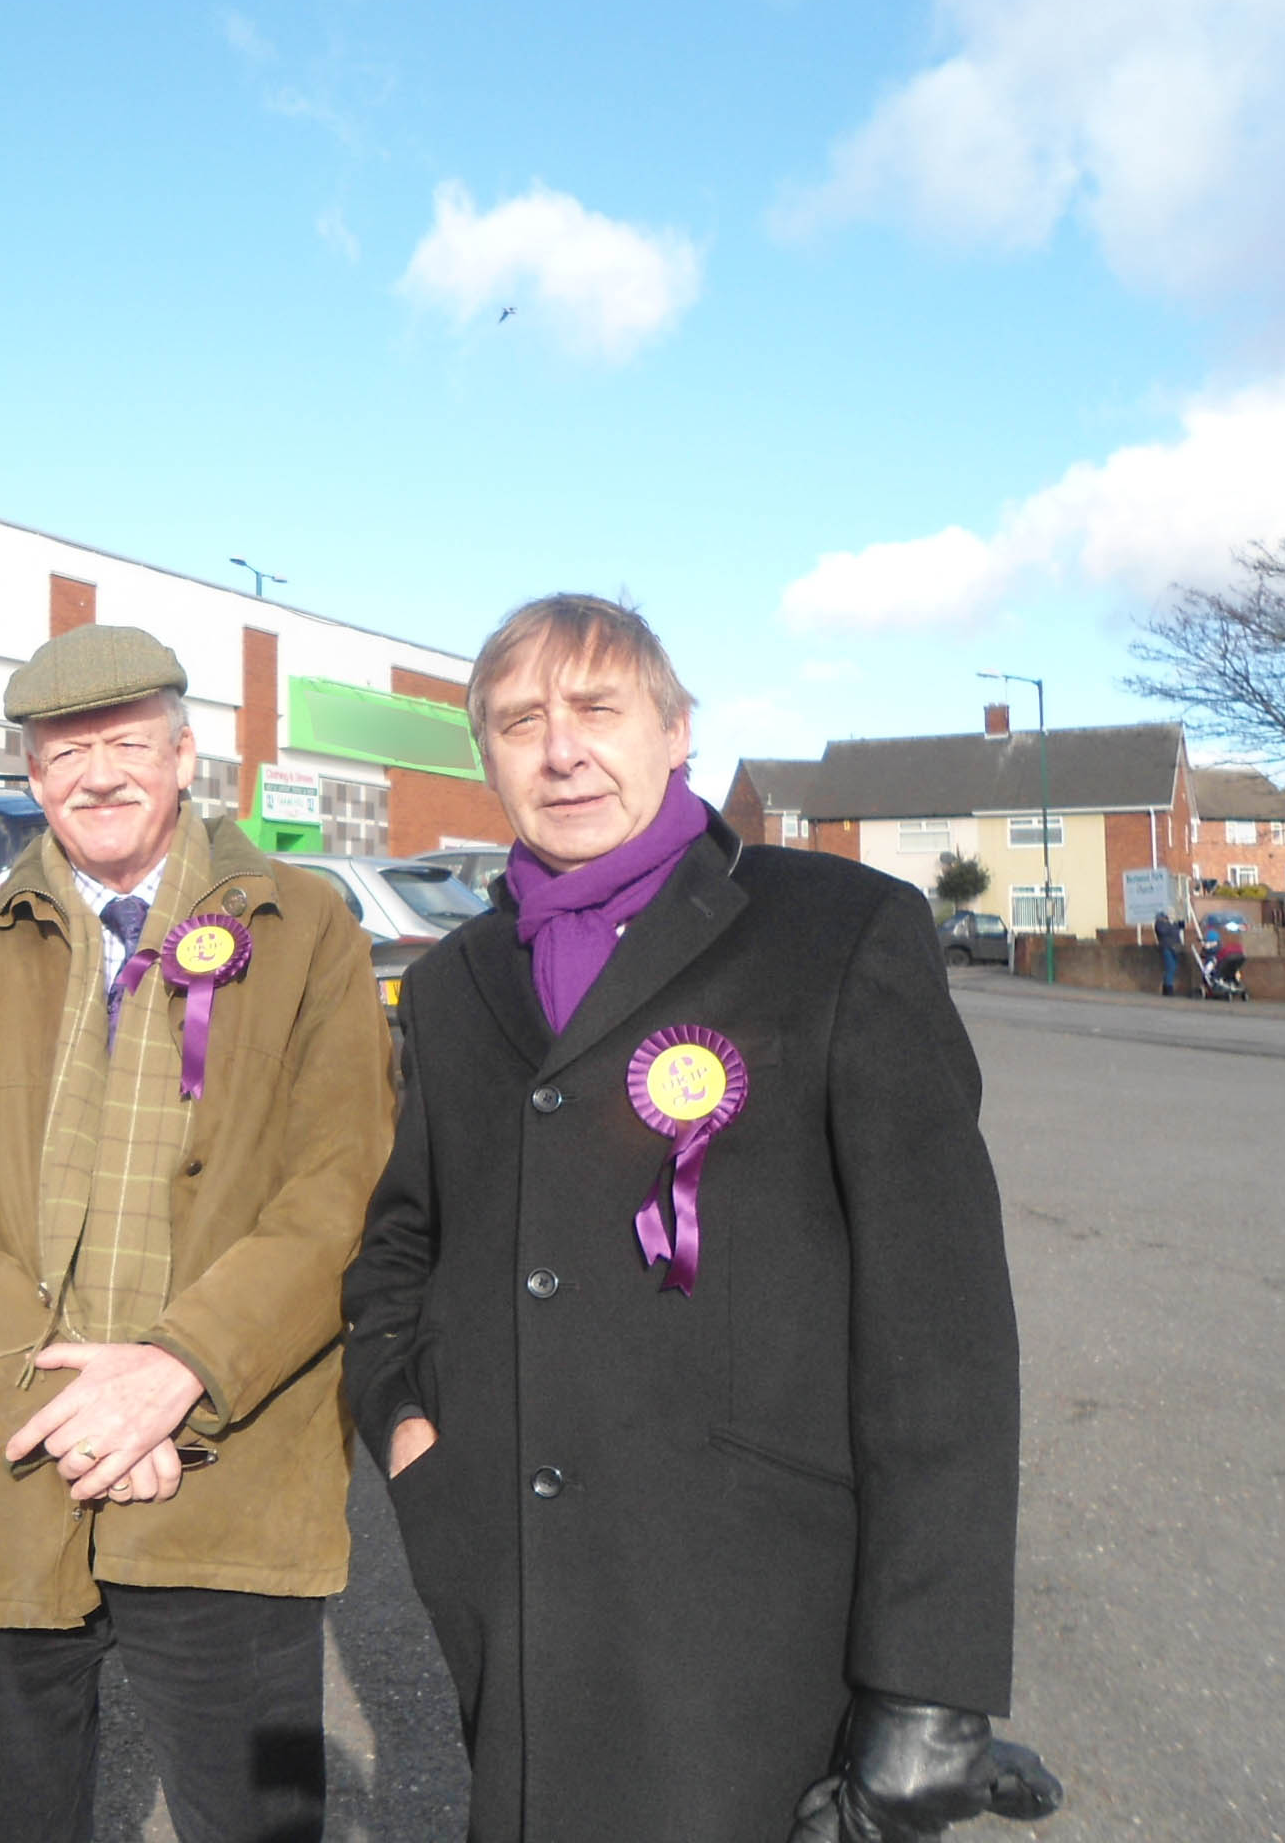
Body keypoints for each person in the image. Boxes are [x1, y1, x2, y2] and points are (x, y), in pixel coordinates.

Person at [342, 594, 1061, 1843]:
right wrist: (407, 1422)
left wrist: (930, 1687)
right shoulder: (456, 982)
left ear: (677, 733)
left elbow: (940, 1323)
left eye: (597, 710)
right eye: (520, 723)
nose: (562, 751)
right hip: (515, 1590)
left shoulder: (838, 931)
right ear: (487, 758)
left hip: (757, 1619)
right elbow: (404, 1237)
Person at [0, 624, 394, 1843]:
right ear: (33, 777)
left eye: (127, 745)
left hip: (226, 1481)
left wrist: (174, 1375)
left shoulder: (307, 929)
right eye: (65, 752)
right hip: (7, 1476)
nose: (97, 776)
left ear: (185, 756)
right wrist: (59, 1408)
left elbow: (341, 1190)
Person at [1156, 911, 1186, 996]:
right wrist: (1171, 924)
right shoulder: (1159, 924)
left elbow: (1182, 926)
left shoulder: (1173, 923)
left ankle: (1166, 987)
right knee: (1170, 967)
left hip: (1175, 947)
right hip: (1167, 947)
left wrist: (1181, 918)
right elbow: (1163, 931)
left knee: (1174, 966)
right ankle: (1168, 988)